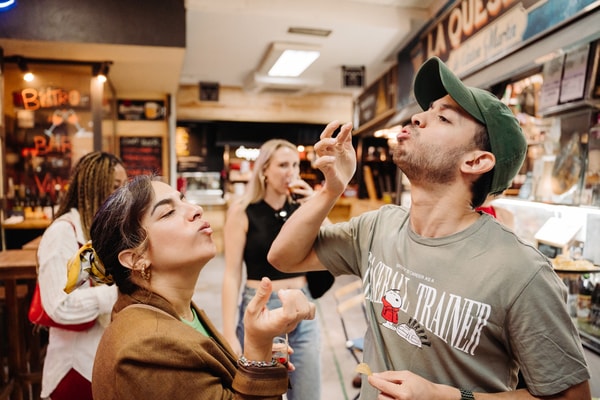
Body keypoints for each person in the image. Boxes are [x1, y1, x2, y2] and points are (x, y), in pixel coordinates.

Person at [268, 56, 592, 399]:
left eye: (443, 117)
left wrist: (446, 397)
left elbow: (573, 397)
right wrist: (332, 188)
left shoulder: (521, 271)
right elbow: (284, 257)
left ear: (476, 161)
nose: (417, 117)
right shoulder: (379, 227)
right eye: (427, 110)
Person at [83, 175, 315, 399]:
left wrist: (260, 357)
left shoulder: (179, 312)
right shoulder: (147, 347)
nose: (196, 209)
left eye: (183, 199)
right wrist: (257, 346)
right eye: (168, 212)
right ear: (136, 258)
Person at [222, 139, 322, 400]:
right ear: (264, 169)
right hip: (262, 307)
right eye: (283, 165)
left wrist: (316, 204)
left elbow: (337, 242)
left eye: (295, 165)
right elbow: (232, 274)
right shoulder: (243, 211)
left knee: (308, 394)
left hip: (302, 306)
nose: (291, 172)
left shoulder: (302, 208)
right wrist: (228, 332)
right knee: (260, 394)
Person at [36, 151, 127, 400]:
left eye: (124, 186)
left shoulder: (100, 231)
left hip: (103, 361)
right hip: (76, 368)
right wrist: (119, 292)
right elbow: (60, 306)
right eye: (114, 187)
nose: (122, 195)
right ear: (92, 187)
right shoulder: (63, 233)